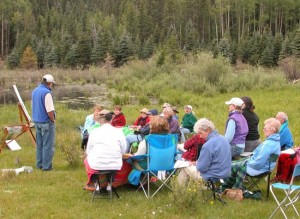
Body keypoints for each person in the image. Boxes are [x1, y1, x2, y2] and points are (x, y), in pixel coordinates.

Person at [221, 118, 281, 190]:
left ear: (273, 130)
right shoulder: (276, 142)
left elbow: (258, 163)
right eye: (263, 128)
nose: (263, 130)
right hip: (266, 168)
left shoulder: (268, 144)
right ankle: (231, 186)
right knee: (233, 163)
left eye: (265, 129)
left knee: (229, 165)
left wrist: (246, 162)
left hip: (258, 169)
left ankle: (229, 187)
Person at [177, 118, 231, 187]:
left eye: (201, 133)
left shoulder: (208, 145)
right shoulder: (223, 139)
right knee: (189, 167)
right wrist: (196, 163)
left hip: (212, 176)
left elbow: (202, 168)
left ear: (208, 130)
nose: (200, 136)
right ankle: (194, 188)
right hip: (225, 173)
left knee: (185, 166)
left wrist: (195, 164)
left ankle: (179, 190)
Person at [84, 110, 127, 190]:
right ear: (111, 120)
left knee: (87, 160)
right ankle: (109, 184)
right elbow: (124, 150)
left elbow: (88, 150)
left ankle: (96, 183)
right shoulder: (119, 132)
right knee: (114, 162)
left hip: (96, 164)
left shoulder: (94, 132)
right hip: (115, 164)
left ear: (101, 121)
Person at [31, 74, 56, 171]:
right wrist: (53, 119)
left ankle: (39, 164)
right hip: (46, 122)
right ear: (49, 83)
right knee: (48, 145)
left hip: (36, 121)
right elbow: (49, 110)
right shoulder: (47, 93)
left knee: (39, 145)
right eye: (52, 84)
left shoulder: (35, 91)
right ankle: (46, 167)